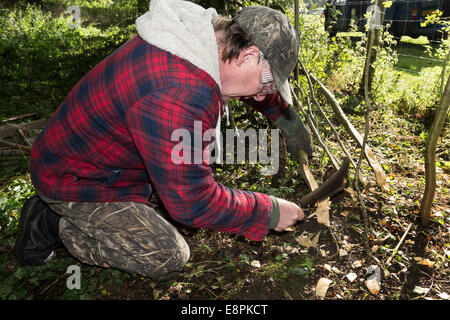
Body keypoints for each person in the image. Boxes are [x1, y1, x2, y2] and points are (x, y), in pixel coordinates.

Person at [15, 0, 313, 280]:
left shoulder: (198, 37)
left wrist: (289, 122)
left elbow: (248, 81)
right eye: (267, 83)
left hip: (97, 157)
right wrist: (269, 211)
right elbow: (193, 202)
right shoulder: (180, 93)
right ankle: (52, 221)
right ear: (248, 55)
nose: (261, 95)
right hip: (75, 178)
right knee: (166, 255)